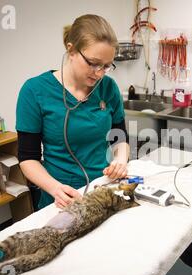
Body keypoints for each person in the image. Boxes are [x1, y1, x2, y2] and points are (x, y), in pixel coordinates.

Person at [16, 14, 129, 210]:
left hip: (104, 188)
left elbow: (119, 138)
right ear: (71, 50)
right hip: (62, 196)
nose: (100, 73)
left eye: (106, 66)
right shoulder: (35, 91)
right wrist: (55, 189)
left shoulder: (108, 87)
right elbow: (28, 159)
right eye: (93, 63)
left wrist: (120, 160)